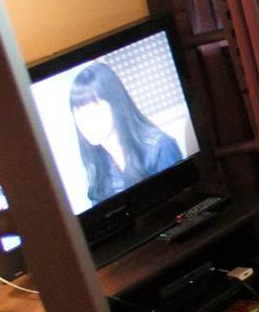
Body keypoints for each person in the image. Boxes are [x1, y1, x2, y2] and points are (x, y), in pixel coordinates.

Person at [68, 61, 185, 205]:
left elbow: (182, 202)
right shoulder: (97, 163)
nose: (86, 120)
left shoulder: (159, 147)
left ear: (116, 103)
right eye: (79, 110)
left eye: (94, 106)